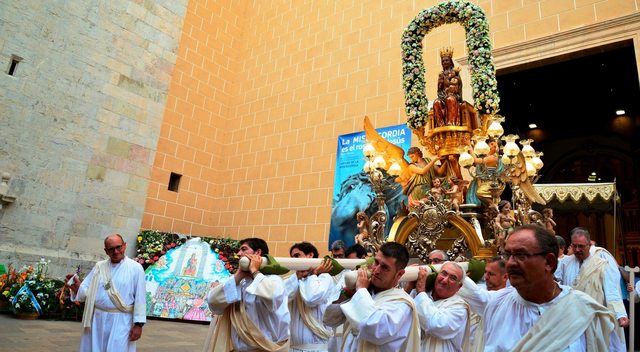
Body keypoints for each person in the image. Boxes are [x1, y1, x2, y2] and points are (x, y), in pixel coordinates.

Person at [458, 225, 617, 351]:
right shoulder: (496, 305)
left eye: (521, 255)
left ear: (549, 262)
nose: (511, 263)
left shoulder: (585, 311)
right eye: (508, 255)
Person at [322, 242, 420, 351]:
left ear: (399, 274)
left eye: (385, 267)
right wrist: (345, 295)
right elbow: (328, 320)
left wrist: (361, 290)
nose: (377, 270)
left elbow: (373, 329)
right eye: (376, 262)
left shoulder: (402, 304)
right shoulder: (364, 293)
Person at [203, 237, 290, 352]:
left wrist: (255, 271)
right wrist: (238, 275)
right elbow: (213, 302)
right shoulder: (240, 282)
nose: (239, 254)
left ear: (257, 253)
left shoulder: (273, 280)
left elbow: (273, 297)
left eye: (244, 249)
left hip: (268, 349)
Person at [66, 233, 147, 352]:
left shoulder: (135, 268)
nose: (115, 251)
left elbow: (140, 297)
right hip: (97, 319)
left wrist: (138, 325)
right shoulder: (99, 267)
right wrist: (76, 287)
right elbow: (86, 292)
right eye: (111, 249)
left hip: (121, 321)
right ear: (106, 251)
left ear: (124, 246)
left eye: (118, 247)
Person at [554, 227, 628, 350]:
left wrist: (620, 314)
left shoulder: (601, 261)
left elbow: (612, 290)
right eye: (574, 246)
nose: (577, 250)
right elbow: (557, 284)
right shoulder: (566, 262)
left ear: (589, 245)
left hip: (595, 316)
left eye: (581, 246)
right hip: (572, 316)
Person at [405, 262, 470, 351]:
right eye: (444, 273)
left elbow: (435, 325)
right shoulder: (418, 294)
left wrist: (420, 292)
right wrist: (408, 288)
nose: (444, 280)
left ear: (459, 286)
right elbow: (400, 316)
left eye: (453, 278)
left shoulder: (459, 307)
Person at [285, 242, 335, 352]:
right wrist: (297, 278)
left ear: (310, 255)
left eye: (297, 255)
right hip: (293, 348)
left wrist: (313, 275)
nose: (294, 260)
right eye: (292, 257)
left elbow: (311, 298)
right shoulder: (294, 279)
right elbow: (282, 299)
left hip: (316, 348)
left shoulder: (325, 277)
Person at [433, 47, 463, 127]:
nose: (444, 62)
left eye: (446, 60)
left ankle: (451, 123)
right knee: (436, 102)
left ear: (450, 61)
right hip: (443, 96)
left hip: (454, 96)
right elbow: (439, 90)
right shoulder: (441, 74)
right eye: (443, 61)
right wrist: (440, 84)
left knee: (450, 99)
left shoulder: (455, 72)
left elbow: (458, 87)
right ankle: (441, 125)